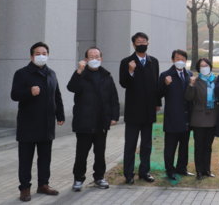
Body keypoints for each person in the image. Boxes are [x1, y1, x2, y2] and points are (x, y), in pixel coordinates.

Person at [11, 42, 65, 201]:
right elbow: (14, 95)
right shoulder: (22, 73)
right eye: (38, 53)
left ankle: (43, 184)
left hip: (47, 123)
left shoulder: (51, 73)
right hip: (28, 124)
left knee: (45, 157)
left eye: (44, 53)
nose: (42, 56)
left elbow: (57, 95)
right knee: (26, 158)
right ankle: (25, 188)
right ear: (31, 56)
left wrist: (60, 114)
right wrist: (29, 92)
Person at [68, 47, 119, 192]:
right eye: (91, 57)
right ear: (86, 60)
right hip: (84, 121)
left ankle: (99, 177)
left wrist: (114, 117)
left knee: (100, 152)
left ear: (101, 59)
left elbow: (113, 98)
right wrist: (79, 71)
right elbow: (72, 88)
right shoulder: (81, 75)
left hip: (101, 122)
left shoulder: (107, 76)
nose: (94, 59)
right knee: (82, 153)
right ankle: (78, 179)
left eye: (97, 57)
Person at [119, 32, 161, 184]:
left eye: (144, 41)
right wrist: (130, 71)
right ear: (134, 44)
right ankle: (128, 174)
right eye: (139, 41)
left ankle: (144, 171)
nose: (142, 43)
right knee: (130, 144)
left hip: (149, 110)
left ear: (148, 43)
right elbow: (123, 83)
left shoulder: (153, 62)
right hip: (133, 111)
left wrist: (158, 102)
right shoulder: (126, 62)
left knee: (146, 144)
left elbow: (156, 83)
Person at [157, 49, 195, 181]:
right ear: (173, 60)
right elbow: (159, 94)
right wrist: (165, 85)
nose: (180, 61)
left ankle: (182, 168)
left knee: (184, 145)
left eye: (183, 59)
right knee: (170, 147)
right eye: (178, 59)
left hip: (186, 117)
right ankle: (170, 170)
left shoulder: (189, 74)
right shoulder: (166, 75)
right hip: (173, 117)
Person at [184, 58, 219, 180]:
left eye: (206, 65)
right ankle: (199, 171)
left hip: (213, 115)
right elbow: (188, 98)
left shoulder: (216, 79)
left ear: (210, 66)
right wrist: (191, 85)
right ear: (198, 68)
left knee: (208, 145)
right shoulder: (195, 80)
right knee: (199, 145)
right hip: (199, 116)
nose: (204, 67)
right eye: (202, 66)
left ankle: (207, 170)